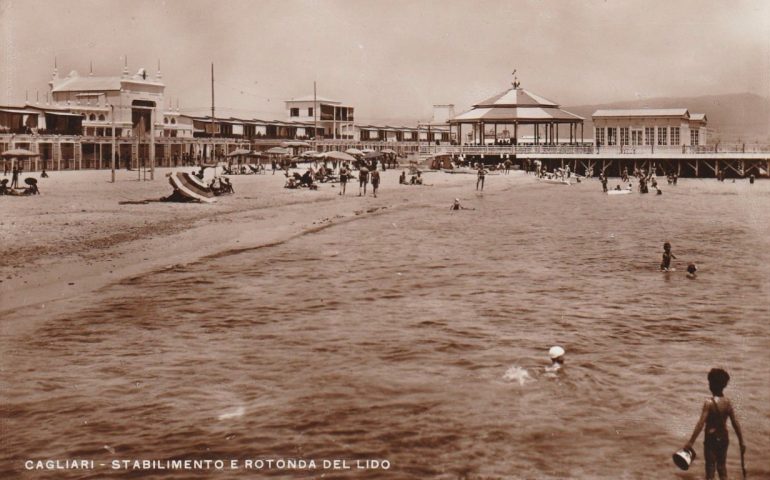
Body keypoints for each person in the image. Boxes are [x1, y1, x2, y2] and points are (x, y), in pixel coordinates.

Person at [682, 368, 745, 480]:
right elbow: (735, 423)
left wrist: (691, 442)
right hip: (724, 438)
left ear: (712, 384)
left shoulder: (709, 403)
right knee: (722, 468)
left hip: (711, 439)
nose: (709, 385)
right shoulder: (727, 402)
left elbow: (700, 424)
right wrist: (741, 442)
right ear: (724, 385)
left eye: (710, 382)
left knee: (710, 469)